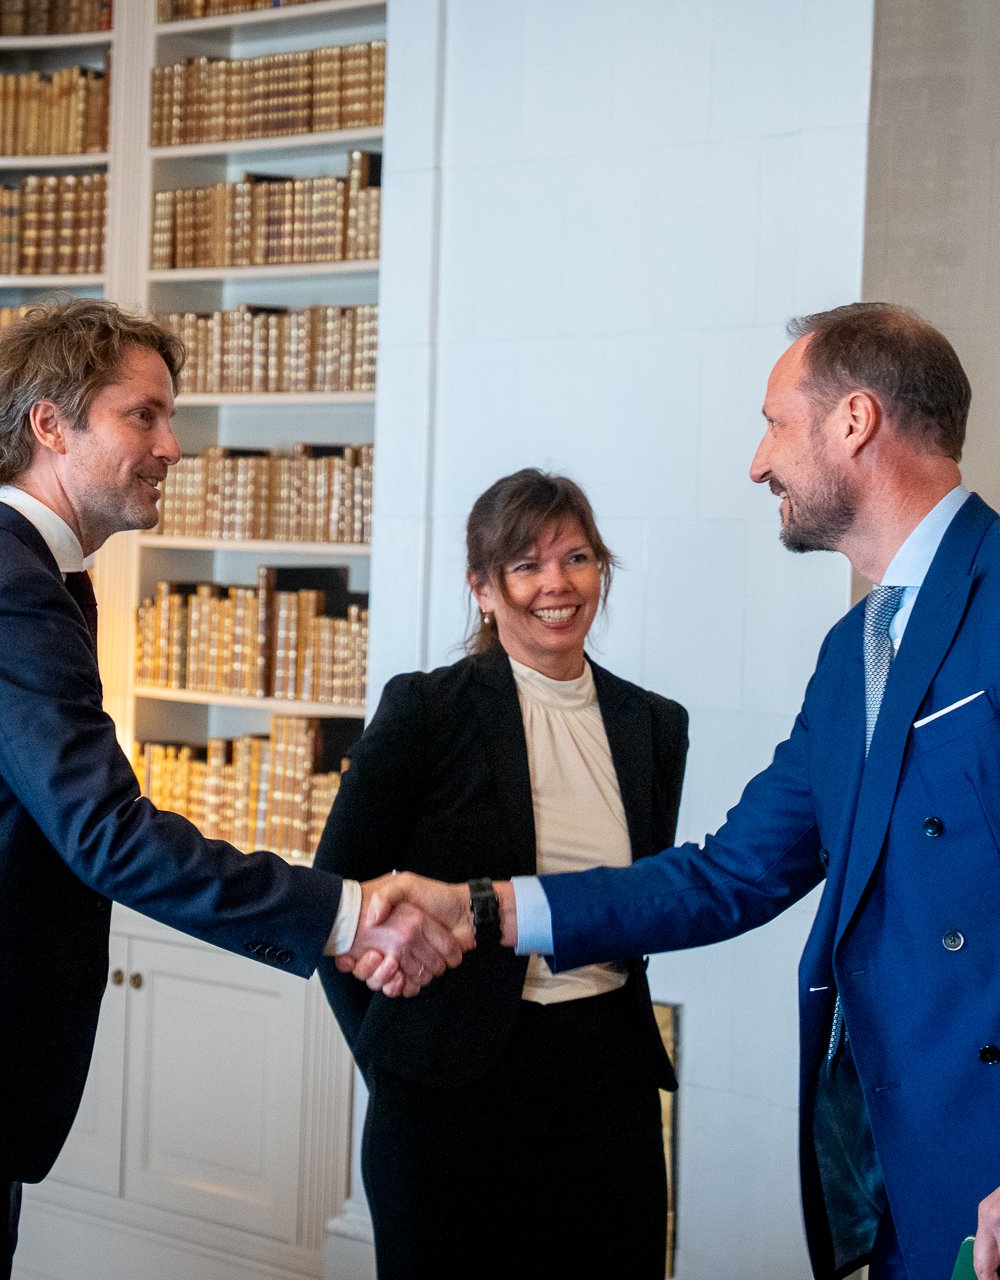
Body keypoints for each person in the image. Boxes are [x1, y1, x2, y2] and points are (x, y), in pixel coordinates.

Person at [363, 303, 1000, 1280]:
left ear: (854, 421)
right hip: (914, 1184)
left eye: (775, 424)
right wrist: (483, 907)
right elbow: (728, 874)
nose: (759, 463)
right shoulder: (851, 656)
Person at [0, 298, 470, 1280]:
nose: (172, 446)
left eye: (169, 417)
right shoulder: (7, 590)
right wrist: (346, 915)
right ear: (49, 424)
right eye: (143, 415)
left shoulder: (14, 573)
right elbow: (106, 832)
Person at [315, 469, 687, 1280]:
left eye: (577, 558)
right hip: (448, 1094)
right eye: (526, 565)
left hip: (608, 1082)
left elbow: (642, 902)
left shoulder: (656, 726)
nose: (558, 584)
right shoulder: (426, 710)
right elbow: (333, 903)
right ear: (482, 590)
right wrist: (391, 1061)